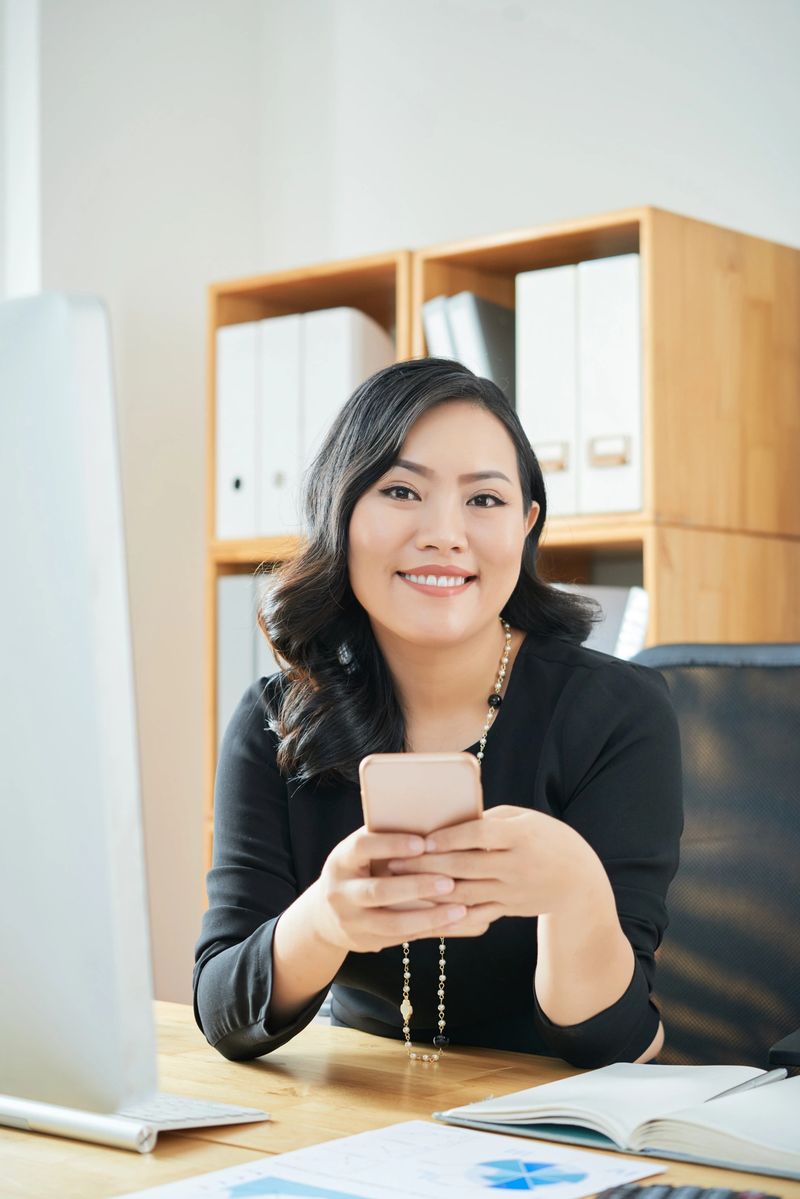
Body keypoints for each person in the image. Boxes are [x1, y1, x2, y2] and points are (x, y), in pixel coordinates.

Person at [194, 358, 682, 1068]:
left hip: (550, 1139)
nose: (444, 533)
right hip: (360, 1124)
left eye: (484, 500)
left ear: (526, 525)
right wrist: (325, 918)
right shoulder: (278, 719)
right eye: (401, 490)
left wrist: (575, 888)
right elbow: (223, 1012)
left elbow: (618, 1045)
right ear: (342, 513)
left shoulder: (618, 713)